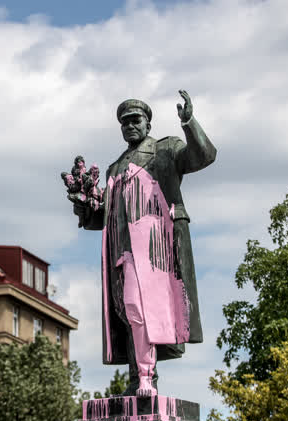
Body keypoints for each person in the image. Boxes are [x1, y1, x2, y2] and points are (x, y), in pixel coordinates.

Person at [69, 90, 216, 396]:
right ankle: (140, 380)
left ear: (148, 123)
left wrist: (188, 121)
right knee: (128, 315)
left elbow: (202, 156)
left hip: (156, 248)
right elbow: (101, 219)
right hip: (121, 253)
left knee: (142, 309)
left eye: (136, 120)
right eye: (125, 123)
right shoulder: (114, 168)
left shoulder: (165, 150)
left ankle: (146, 378)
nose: (130, 126)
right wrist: (84, 206)